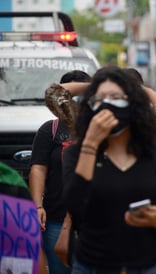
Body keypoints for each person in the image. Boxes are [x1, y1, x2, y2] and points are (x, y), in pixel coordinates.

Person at [62, 66, 156, 273]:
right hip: (92, 265)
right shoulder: (78, 154)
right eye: (99, 99)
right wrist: (90, 142)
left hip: (146, 265)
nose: (107, 104)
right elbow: (74, 204)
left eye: (116, 97)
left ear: (133, 104)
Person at [29, 70, 91, 274]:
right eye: (71, 93)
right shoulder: (50, 130)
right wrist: (37, 206)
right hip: (56, 218)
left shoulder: (101, 127)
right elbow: (38, 168)